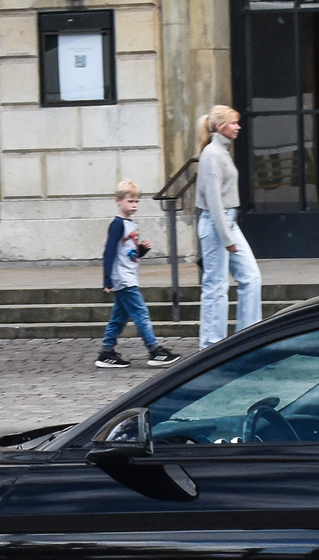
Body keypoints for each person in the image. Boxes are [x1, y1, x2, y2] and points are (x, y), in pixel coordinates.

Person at [193, 103, 259, 348]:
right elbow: (213, 201)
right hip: (216, 223)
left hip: (226, 222)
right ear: (220, 126)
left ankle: (248, 339)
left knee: (251, 277)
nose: (238, 127)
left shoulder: (221, 152)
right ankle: (210, 345)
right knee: (216, 284)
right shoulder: (212, 155)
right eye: (233, 122)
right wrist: (227, 239)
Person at [95, 180, 179, 369]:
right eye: (130, 201)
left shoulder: (131, 225)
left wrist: (141, 250)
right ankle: (154, 350)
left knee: (119, 317)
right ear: (118, 201)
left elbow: (130, 254)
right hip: (123, 279)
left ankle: (106, 352)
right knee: (141, 313)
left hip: (128, 276)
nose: (134, 205)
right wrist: (107, 278)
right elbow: (109, 252)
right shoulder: (117, 225)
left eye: (136, 202)